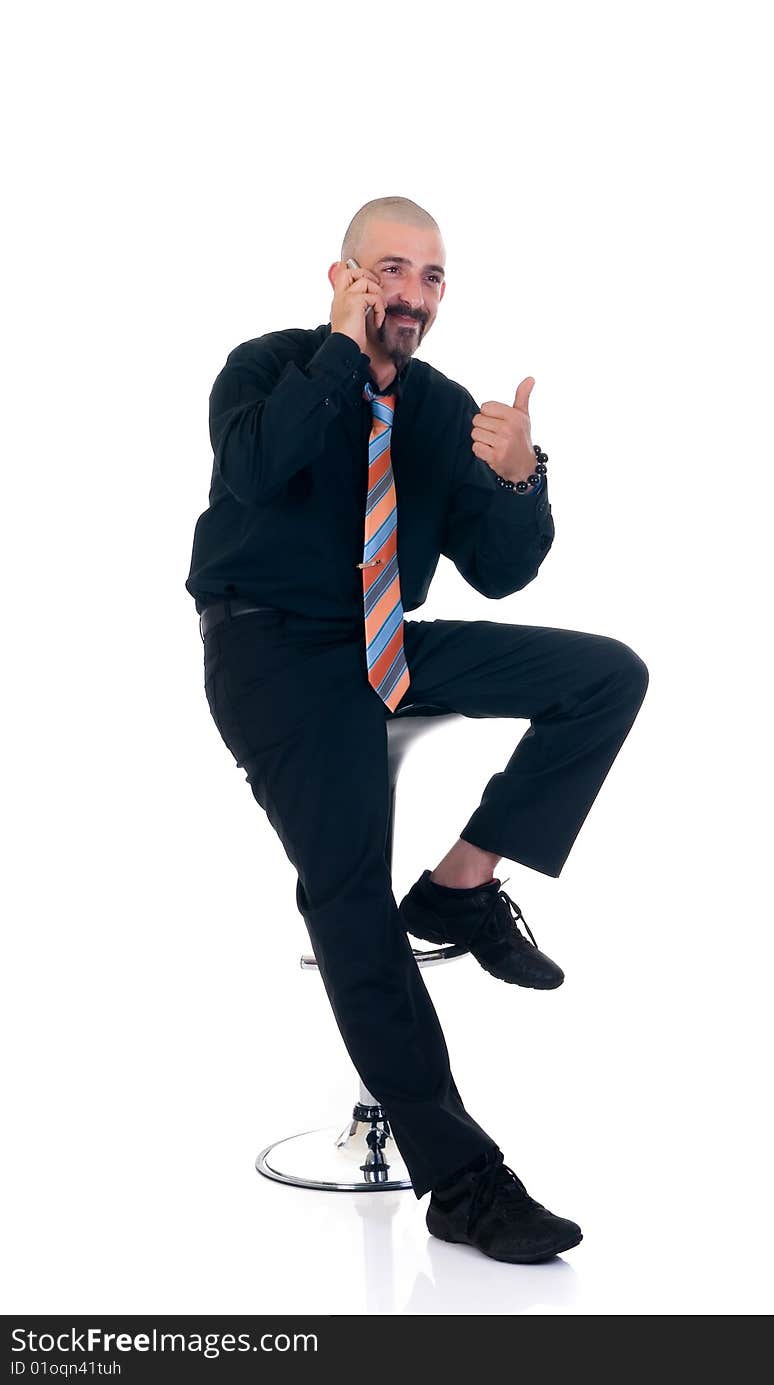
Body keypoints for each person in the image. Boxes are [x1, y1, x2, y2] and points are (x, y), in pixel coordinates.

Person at [185, 195, 649, 1264]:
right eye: (389, 271)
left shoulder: (438, 409)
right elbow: (257, 470)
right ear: (344, 279)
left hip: (386, 639)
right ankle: (463, 1180)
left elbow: (500, 567)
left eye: (431, 277)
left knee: (604, 676)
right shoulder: (266, 368)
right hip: (274, 651)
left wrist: (520, 473)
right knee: (345, 890)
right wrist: (342, 358)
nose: (412, 295)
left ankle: (460, 883)